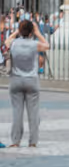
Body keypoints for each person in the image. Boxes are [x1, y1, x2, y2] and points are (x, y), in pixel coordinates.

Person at [6, 20, 49, 148]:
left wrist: (17, 32)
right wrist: (38, 32)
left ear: (20, 31)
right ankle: (33, 141)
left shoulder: (13, 43)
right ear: (31, 32)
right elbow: (47, 45)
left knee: (17, 112)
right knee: (33, 113)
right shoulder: (34, 44)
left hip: (16, 79)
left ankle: (15, 140)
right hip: (31, 79)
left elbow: (6, 41)